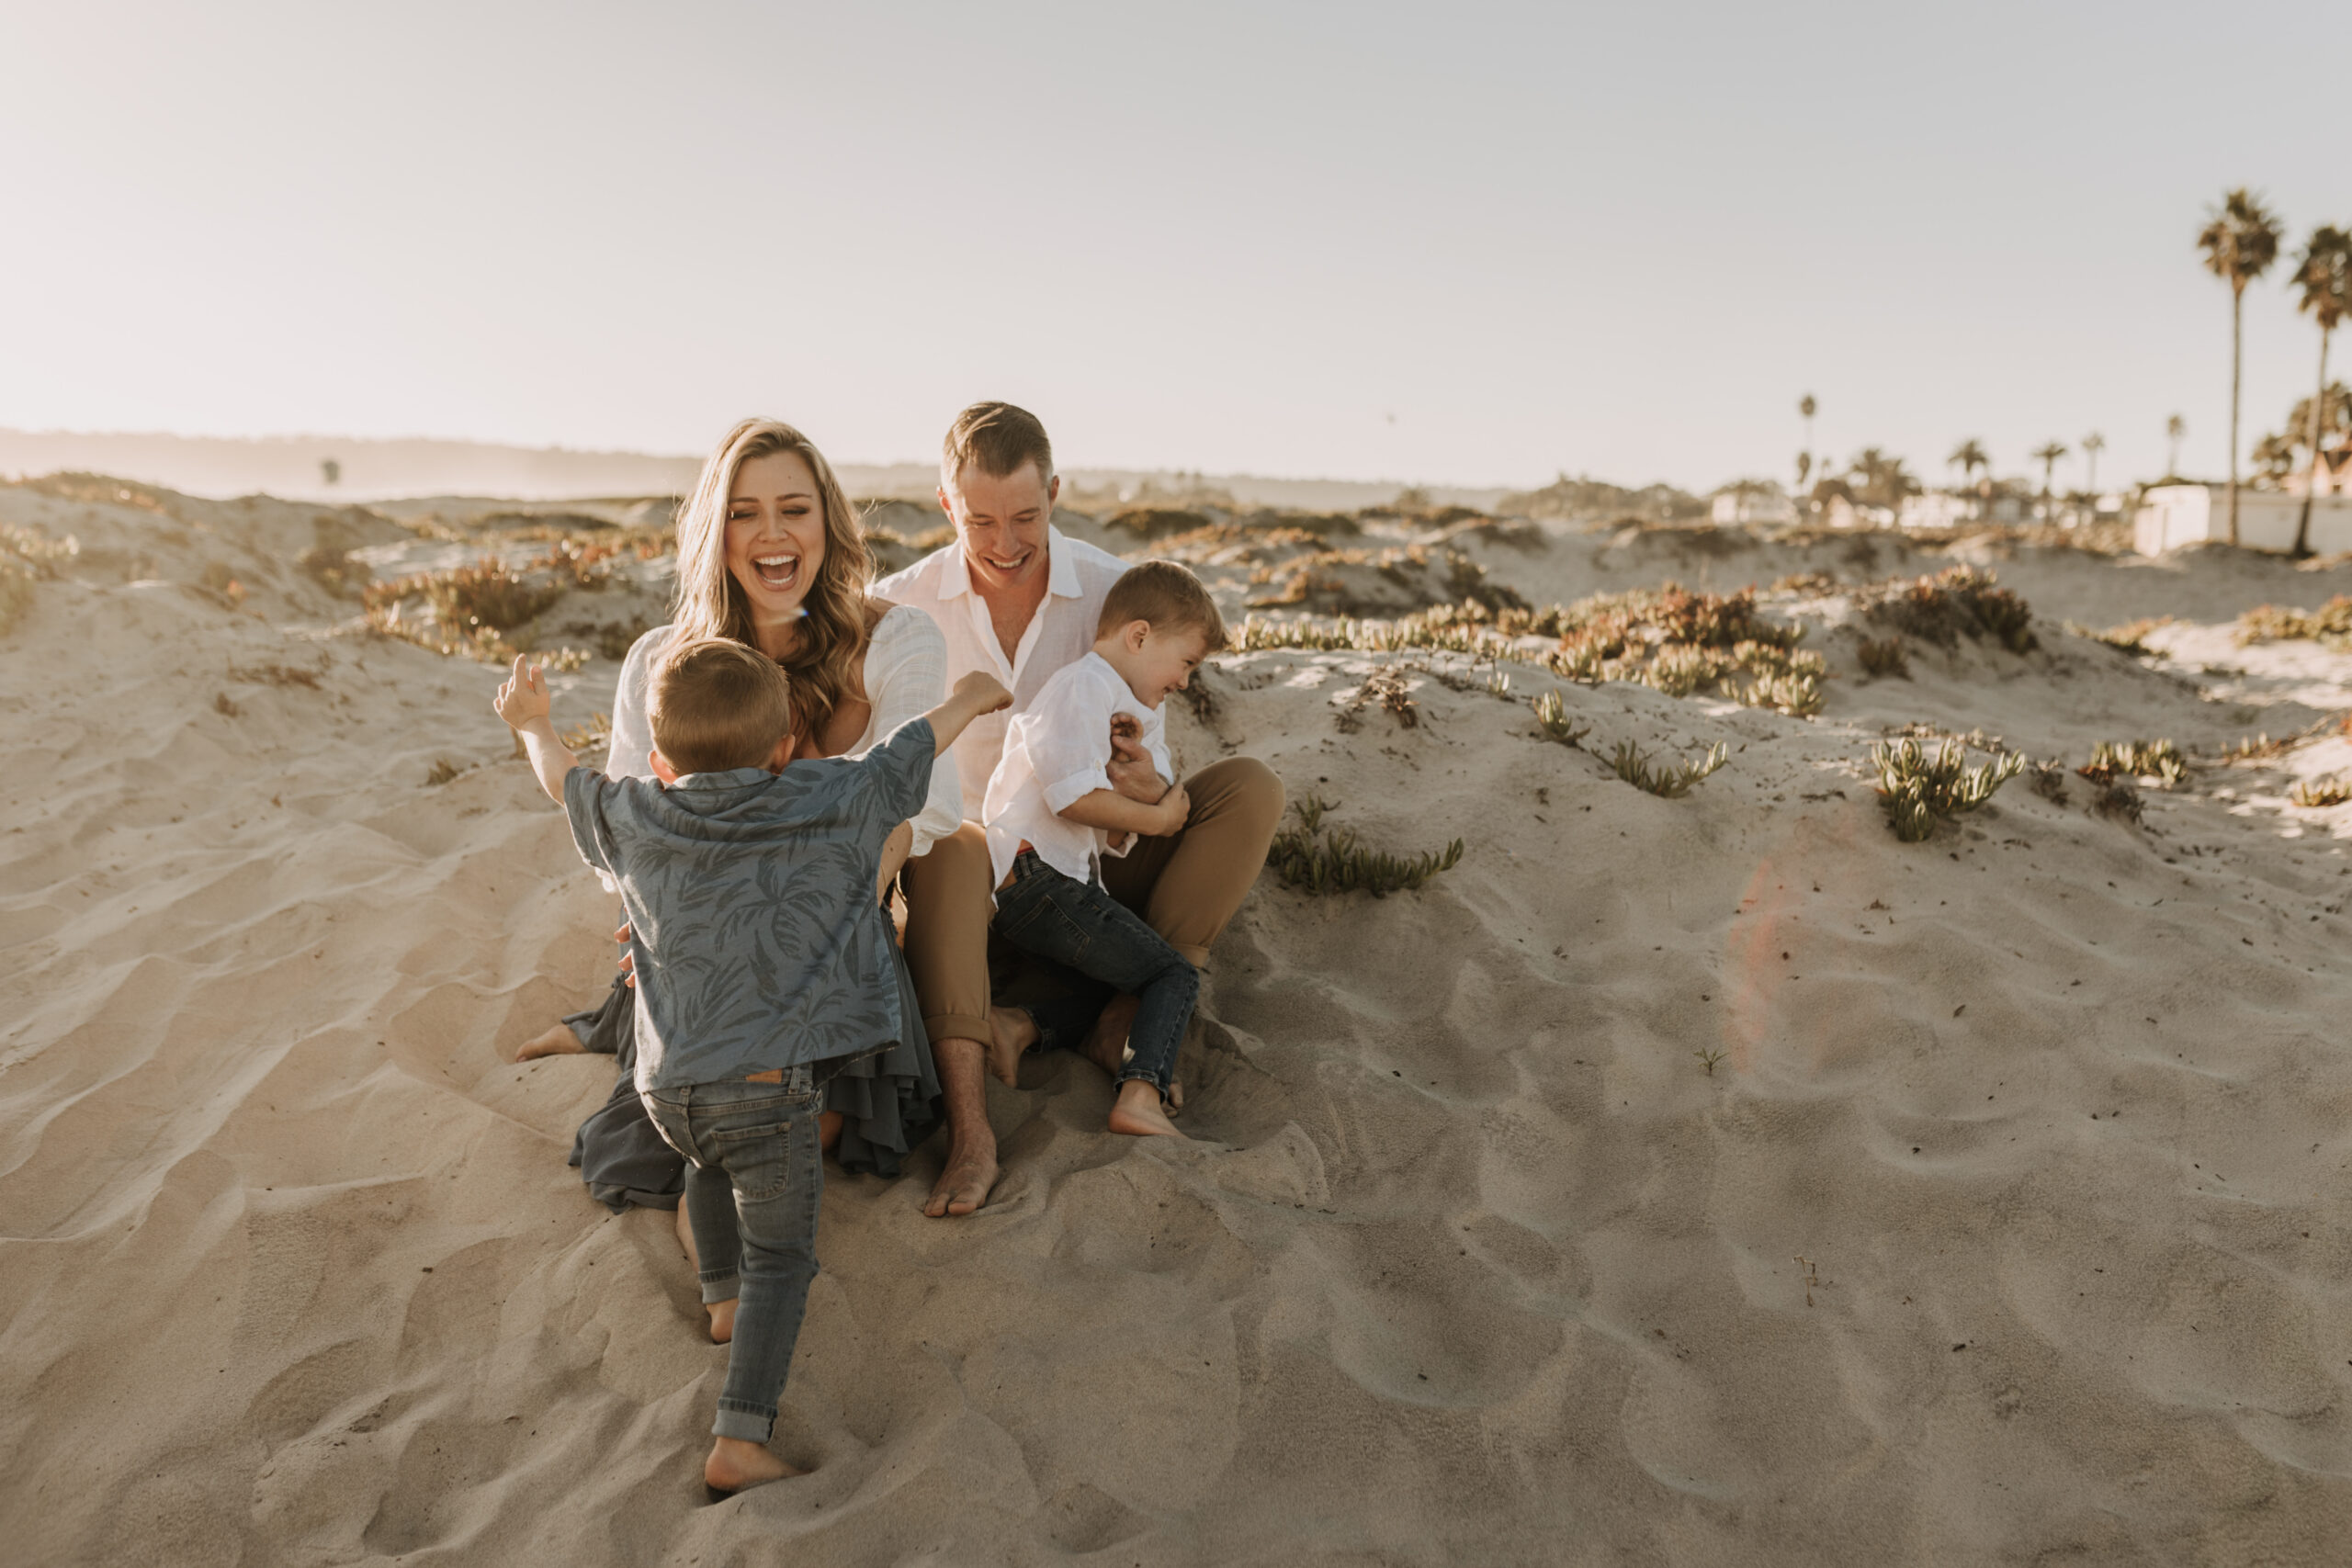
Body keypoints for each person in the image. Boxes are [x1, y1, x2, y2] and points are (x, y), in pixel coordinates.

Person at [493, 636, 1012, 1494]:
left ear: (660, 759)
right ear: (782, 749)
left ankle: (721, 1296)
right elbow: (907, 748)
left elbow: (561, 780)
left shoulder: (638, 809)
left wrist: (535, 724)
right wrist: (969, 697)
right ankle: (741, 1436)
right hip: (770, 1094)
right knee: (787, 1259)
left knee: (705, 1159)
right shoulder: (824, 791)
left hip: (668, 1089)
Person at [515, 417, 998, 1227]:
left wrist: (819, 911)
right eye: (744, 512)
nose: (772, 535)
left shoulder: (893, 636)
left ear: (827, 524)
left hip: (841, 923)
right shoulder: (663, 658)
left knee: (959, 848)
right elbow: (625, 832)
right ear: (717, 530)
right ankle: (617, 1021)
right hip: (704, 945)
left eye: (794, 509)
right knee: (703, 1131)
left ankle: (972, 1127)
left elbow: (929, 798)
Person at [876, 403, 1285, 1175]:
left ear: (1056, 494)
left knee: (1250, 790)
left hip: (1090, 865)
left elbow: (1153, 749)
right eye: (981, 522)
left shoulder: (1112, 591)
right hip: (964, 877)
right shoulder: (901, 603)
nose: (1005, 545)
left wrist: (1149, 781)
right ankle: (981, 1099)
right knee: (961, 847)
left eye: (1026, 517)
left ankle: (1130, 1006)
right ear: (945, 506)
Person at [982, 562, 1227, 1137]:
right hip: (1033, 873)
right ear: (1139, 636)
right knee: (1173, 975)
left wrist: (1137, 792)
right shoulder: (1083, 685)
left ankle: (1016, 1026)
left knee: (1117, 983)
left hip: (1046, 877)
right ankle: (1139, 1096)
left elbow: (1104, 828)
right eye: (1186, 662)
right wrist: (1160, 818)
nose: (1186, 681)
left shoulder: (1128, 704)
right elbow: (1071, 800)